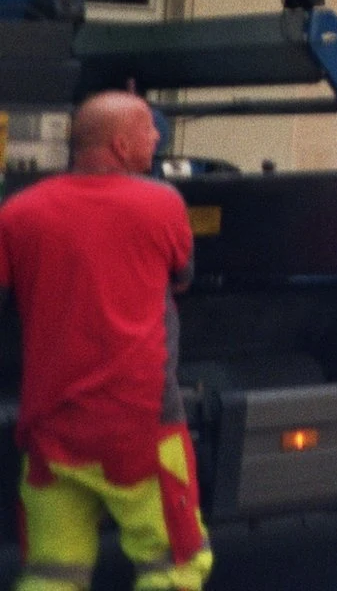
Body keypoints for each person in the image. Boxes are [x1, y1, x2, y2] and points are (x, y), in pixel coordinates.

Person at [0, 92, 212, 590]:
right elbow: (182, 279)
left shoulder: (18, 213)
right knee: (174, 566)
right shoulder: (161, 204)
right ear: (120, 145)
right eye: (148, 129)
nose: (157, 136)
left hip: (51, 427)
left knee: (52, 573)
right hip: (141, 425)